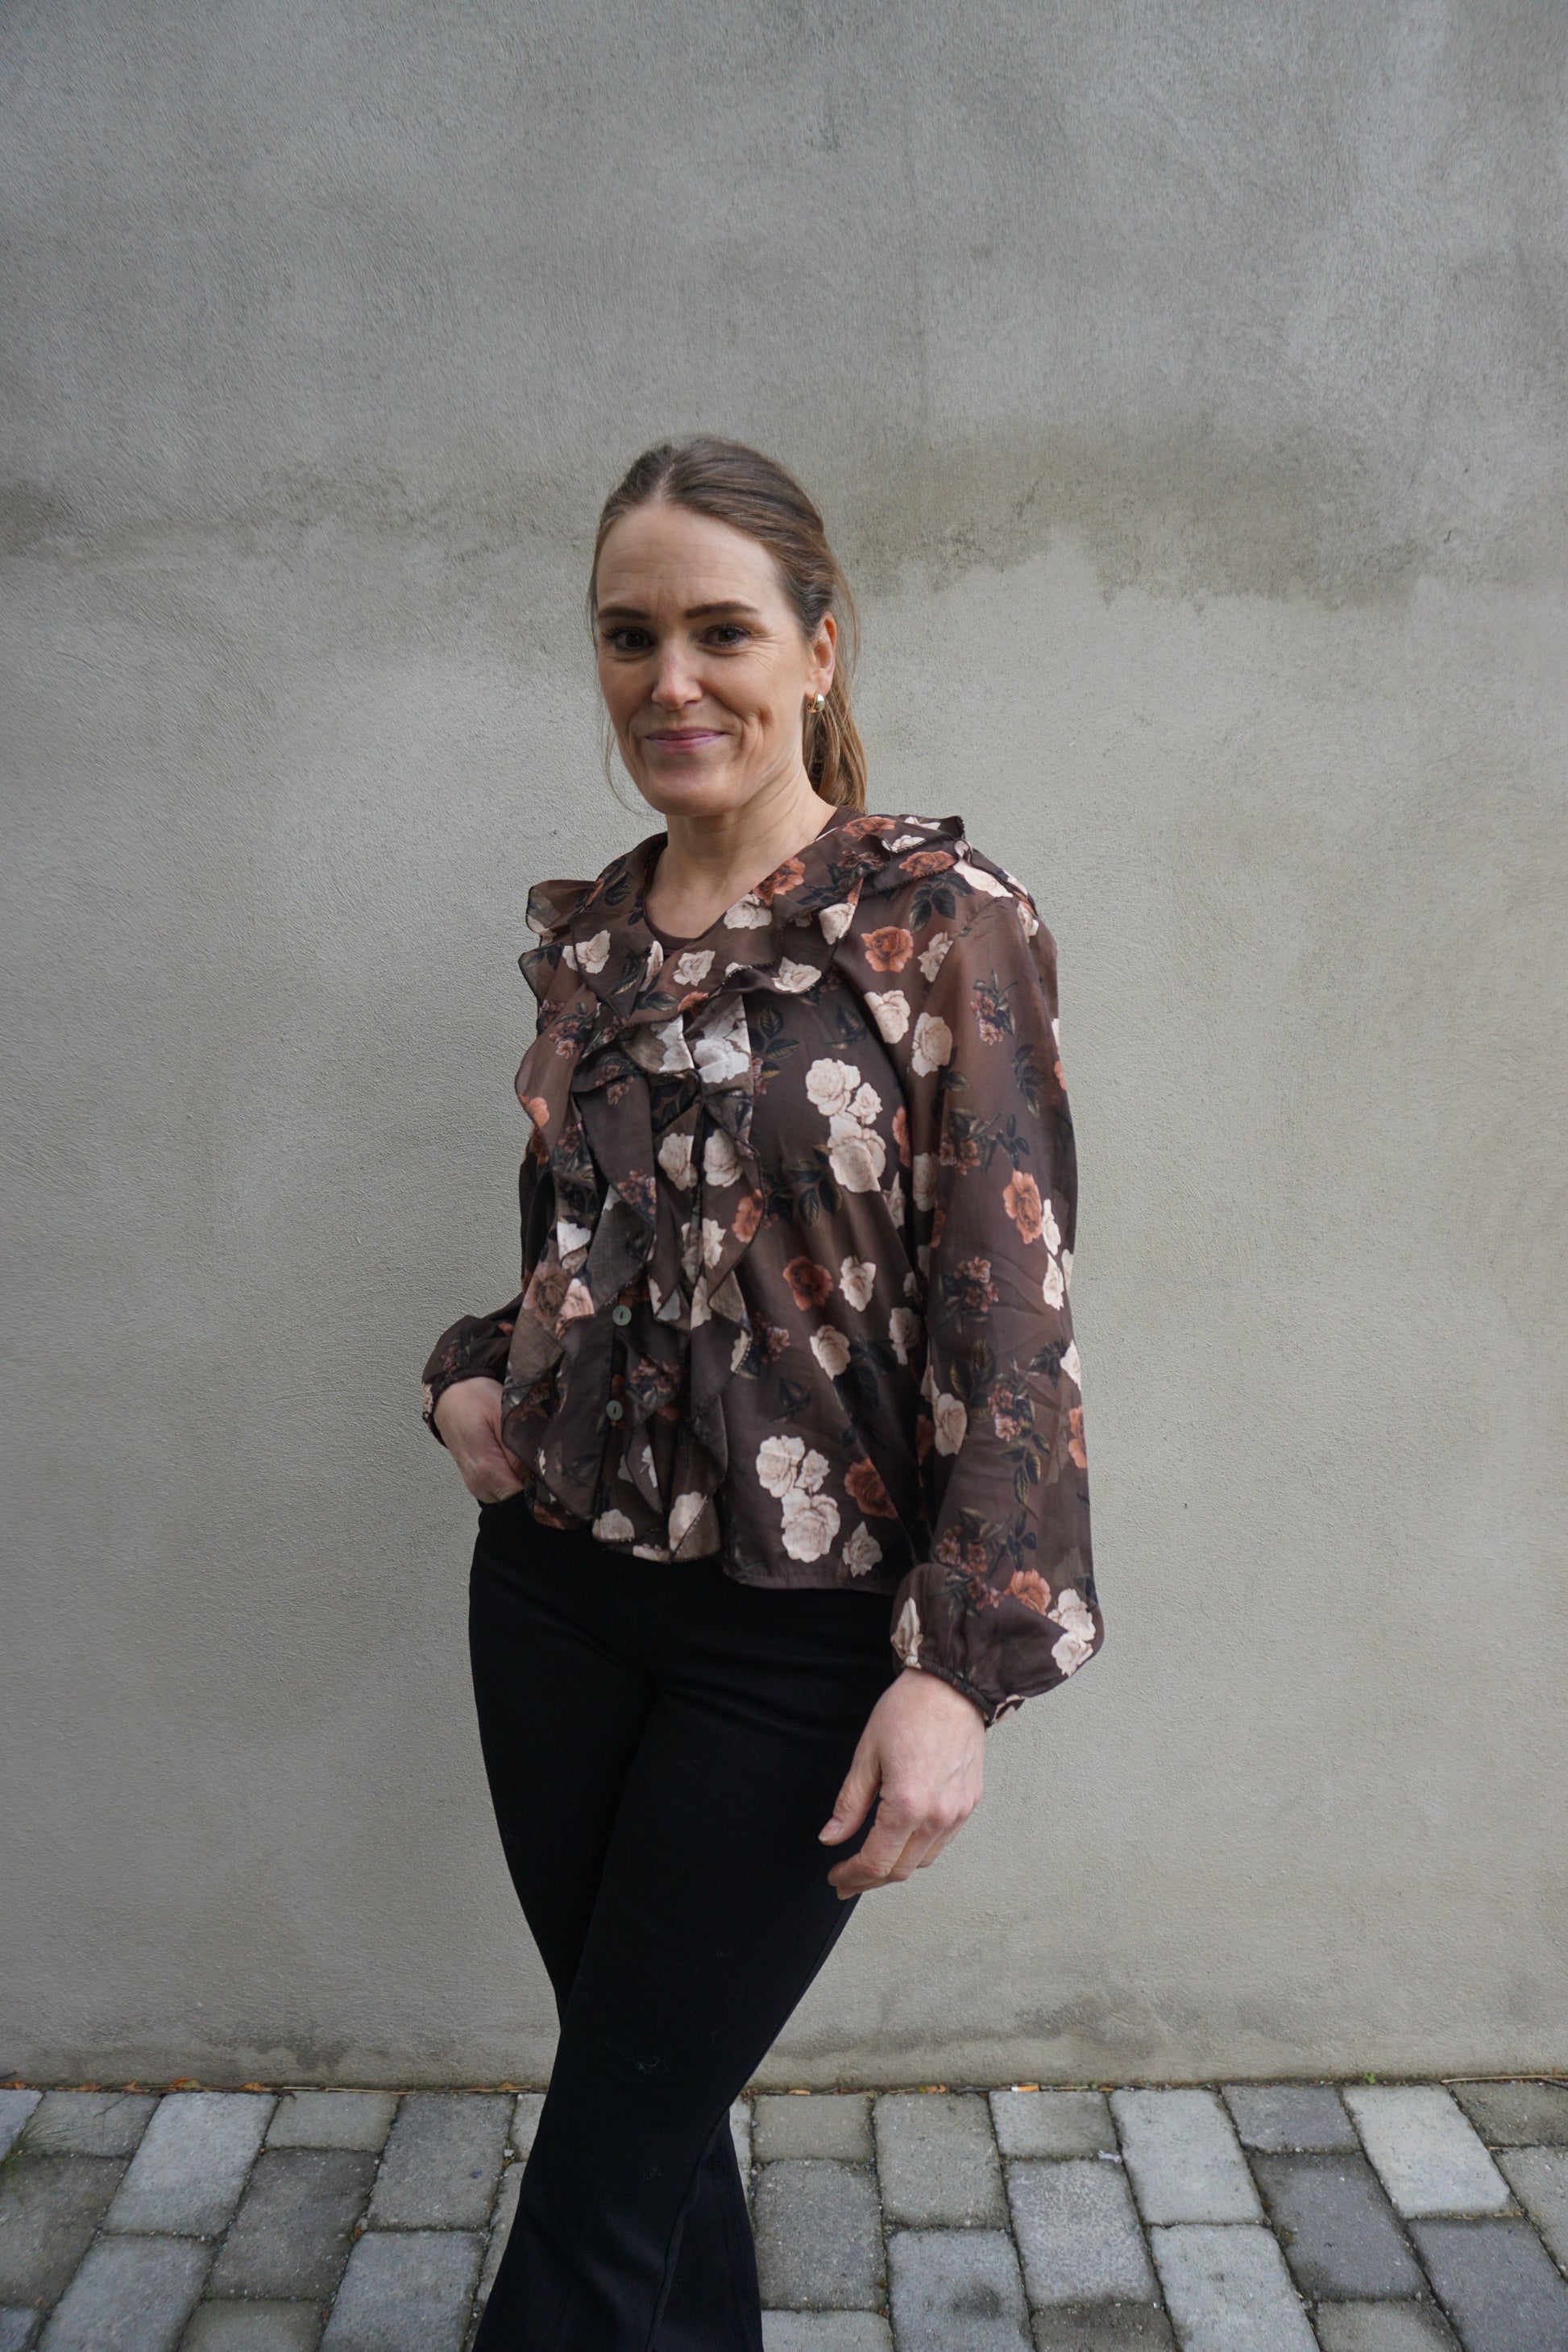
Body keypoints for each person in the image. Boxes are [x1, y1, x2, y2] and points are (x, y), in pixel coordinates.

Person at [421, 437, 1101, 2349]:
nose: (671, 679)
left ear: (818, 645)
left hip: (796, 1644)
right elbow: (592, 1254)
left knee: (593, 2187)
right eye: (627, 634)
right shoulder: (593, 937)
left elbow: (1010, 1316)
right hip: (554, 1598)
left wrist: (958, 1666)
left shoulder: (938, 921)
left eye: (719, 630)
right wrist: (472, 1380)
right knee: (645, 2122)